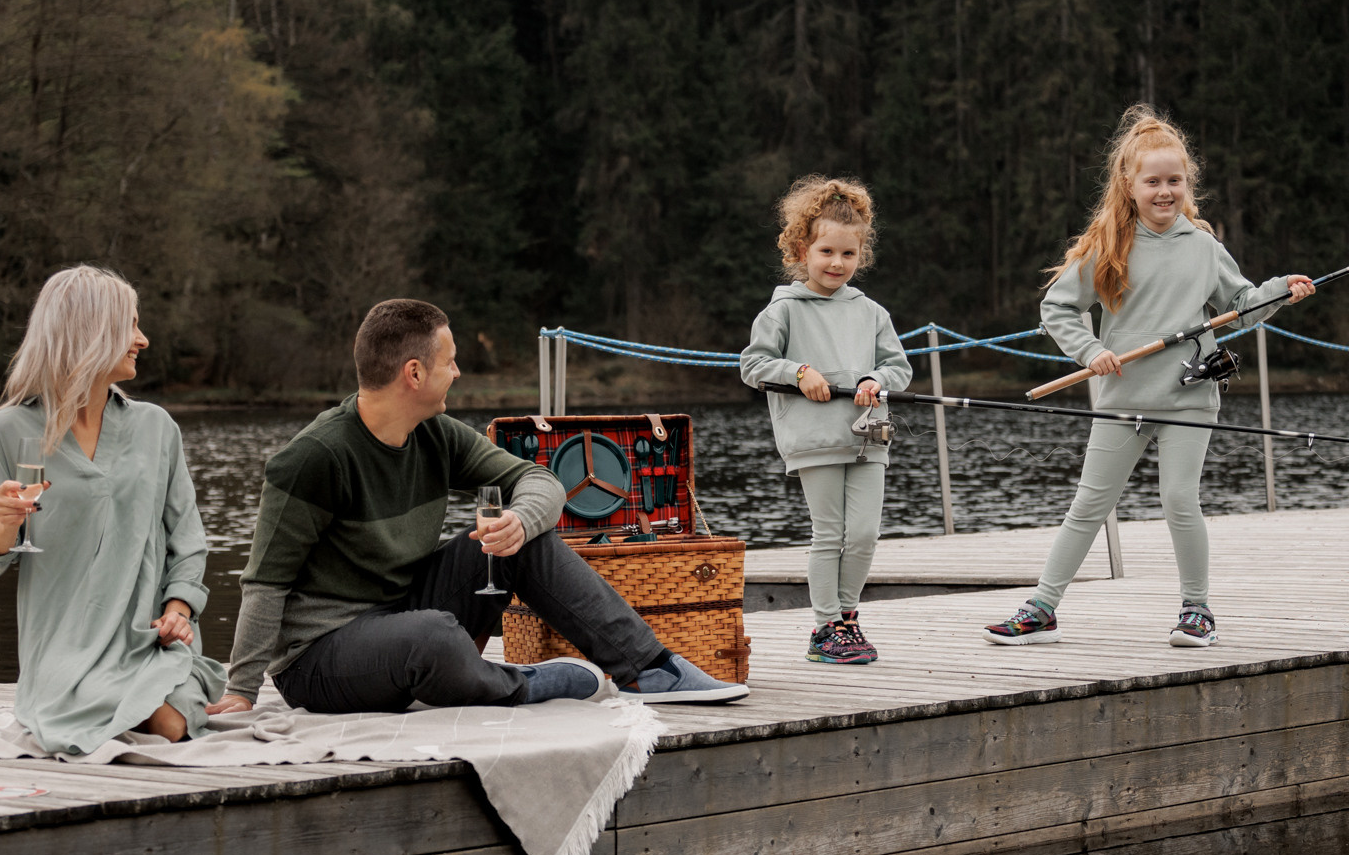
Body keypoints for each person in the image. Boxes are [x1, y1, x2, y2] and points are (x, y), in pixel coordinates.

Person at [209, 299, 747, 716]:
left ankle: (648, 669)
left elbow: (538, 479)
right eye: (451, 361)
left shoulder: (436, 435)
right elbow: (265, 583)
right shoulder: (312, 458)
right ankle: (519, 686)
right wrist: (241, 689)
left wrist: (520, 519)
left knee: (515, 539)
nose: (459, 372)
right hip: (320, 657)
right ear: (414, 373)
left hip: (407, 611)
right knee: (433, 637)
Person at [983, 106, 1314, 649]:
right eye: (1153, 181)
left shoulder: (1204, 247)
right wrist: (1091, 351)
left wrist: (1280, 290)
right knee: (1089, 503)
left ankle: (1197, 612)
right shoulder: (1108, 244)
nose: (1165, 192)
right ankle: (1042, 608)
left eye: (1175, 181)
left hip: (1191, 395)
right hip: (1123, 396)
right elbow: (1059, 309)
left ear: (1188, 184)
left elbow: (1243, 306)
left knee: (1180, 500)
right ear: (1129, 185)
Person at [0, 265, 224, 754]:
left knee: (172, 725)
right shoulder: (6, 433)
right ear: (89, 332)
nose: (143, 339)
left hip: (149, 640)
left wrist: (177, 610)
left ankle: (168, 682)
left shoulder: (157, 427)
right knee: (108, 722)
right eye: (130, 325)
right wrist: (5, 525)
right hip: (62, 647)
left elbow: (187, 541)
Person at [740, 176, 912, 665]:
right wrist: (798, 372)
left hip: (869, 436)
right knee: (829, 533)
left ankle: (848, 620)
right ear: (802, 249)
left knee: (863, 535)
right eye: (826, 252)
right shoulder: (782, 310)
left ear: (861, 256)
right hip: (814, 440)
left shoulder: (872, 312)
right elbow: (753, 366)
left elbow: (898, 365)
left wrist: (876, 379)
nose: (837, 264)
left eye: (848, 255)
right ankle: (824, 628)